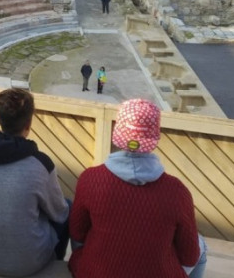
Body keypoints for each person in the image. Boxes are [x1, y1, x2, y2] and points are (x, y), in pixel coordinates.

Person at [69, 99, 207, 278]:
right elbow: (189, 257)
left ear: (117, 131)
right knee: (201, 245)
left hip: (94, 272)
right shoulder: (177, 191)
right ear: (155, 137)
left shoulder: (90, 179)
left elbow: (77, 233)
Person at [0, 88, 70, 277]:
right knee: (68, 206)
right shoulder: (41, 164)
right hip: (28, 263)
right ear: (29, 124)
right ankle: (55, 263)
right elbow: (59, 214)